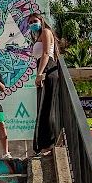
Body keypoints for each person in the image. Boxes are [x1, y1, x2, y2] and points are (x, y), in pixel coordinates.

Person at [29, 12, 59, 156]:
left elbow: (46, 53)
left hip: (47, 70)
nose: (32, 24)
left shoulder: (46, 32)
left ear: (41, 21)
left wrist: (40, 74)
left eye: (35, 21)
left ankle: (49, 145)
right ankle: (43, 146)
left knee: (47, 108)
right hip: (42, 71)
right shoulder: (37, 36)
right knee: (42, 108)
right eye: (30, 22)